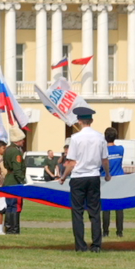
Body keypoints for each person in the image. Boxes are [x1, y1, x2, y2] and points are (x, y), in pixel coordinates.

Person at [59, 107, 111, 252]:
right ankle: (96, 245)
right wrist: (107, 174)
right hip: (94, 176)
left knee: (77, 212)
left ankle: (81, 245)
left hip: (78, 177)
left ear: (79, 121)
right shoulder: (100, 137)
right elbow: (105, 159)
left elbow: (71, 162)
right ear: (91, 121)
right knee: (95, 212)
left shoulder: (75, 138)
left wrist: (63, 177)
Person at [1, 126, 27, 234]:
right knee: (15, 206)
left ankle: (8, 227)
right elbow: (17, 170)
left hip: (8, 180)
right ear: (18, 140)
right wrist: (23, 181)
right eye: (22, 140)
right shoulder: (16, 152)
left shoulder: (8, 149)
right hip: (14, 181)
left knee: (9, 205)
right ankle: (14, 229)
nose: (23, 141)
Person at [101, 128, 126, 238]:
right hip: (119, 179)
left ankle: (105, 231)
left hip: (106, 180)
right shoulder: (121, 149)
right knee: (119, 207)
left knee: (106, 207)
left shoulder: (102, 150)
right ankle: (119, 231)